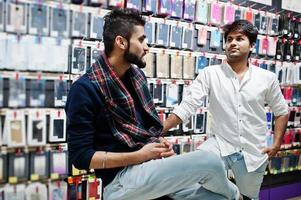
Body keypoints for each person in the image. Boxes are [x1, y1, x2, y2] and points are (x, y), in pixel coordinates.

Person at [66, 8, 241, 200]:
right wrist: (141, 155)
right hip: (119, 182)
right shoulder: (84, 89)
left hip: (149, 168)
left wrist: (158, 145)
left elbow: (147, 130)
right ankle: (238, 196)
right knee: (210, 161)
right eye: (141, 40)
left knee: (217, 198)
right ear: (121, 42)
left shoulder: (137, 77)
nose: (147, 47)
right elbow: (81, 157)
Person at [163, 19, 289, 200]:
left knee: (249, 197)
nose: (233, 43)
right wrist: (161, 128)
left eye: (239, 39)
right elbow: (188, 106)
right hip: (220, 144)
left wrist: (276, 144)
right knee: (197, 168)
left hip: (254, 151)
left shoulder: (267, 78)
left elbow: (281, 111)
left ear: (252, 45)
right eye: (229, 39)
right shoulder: (210, 73)